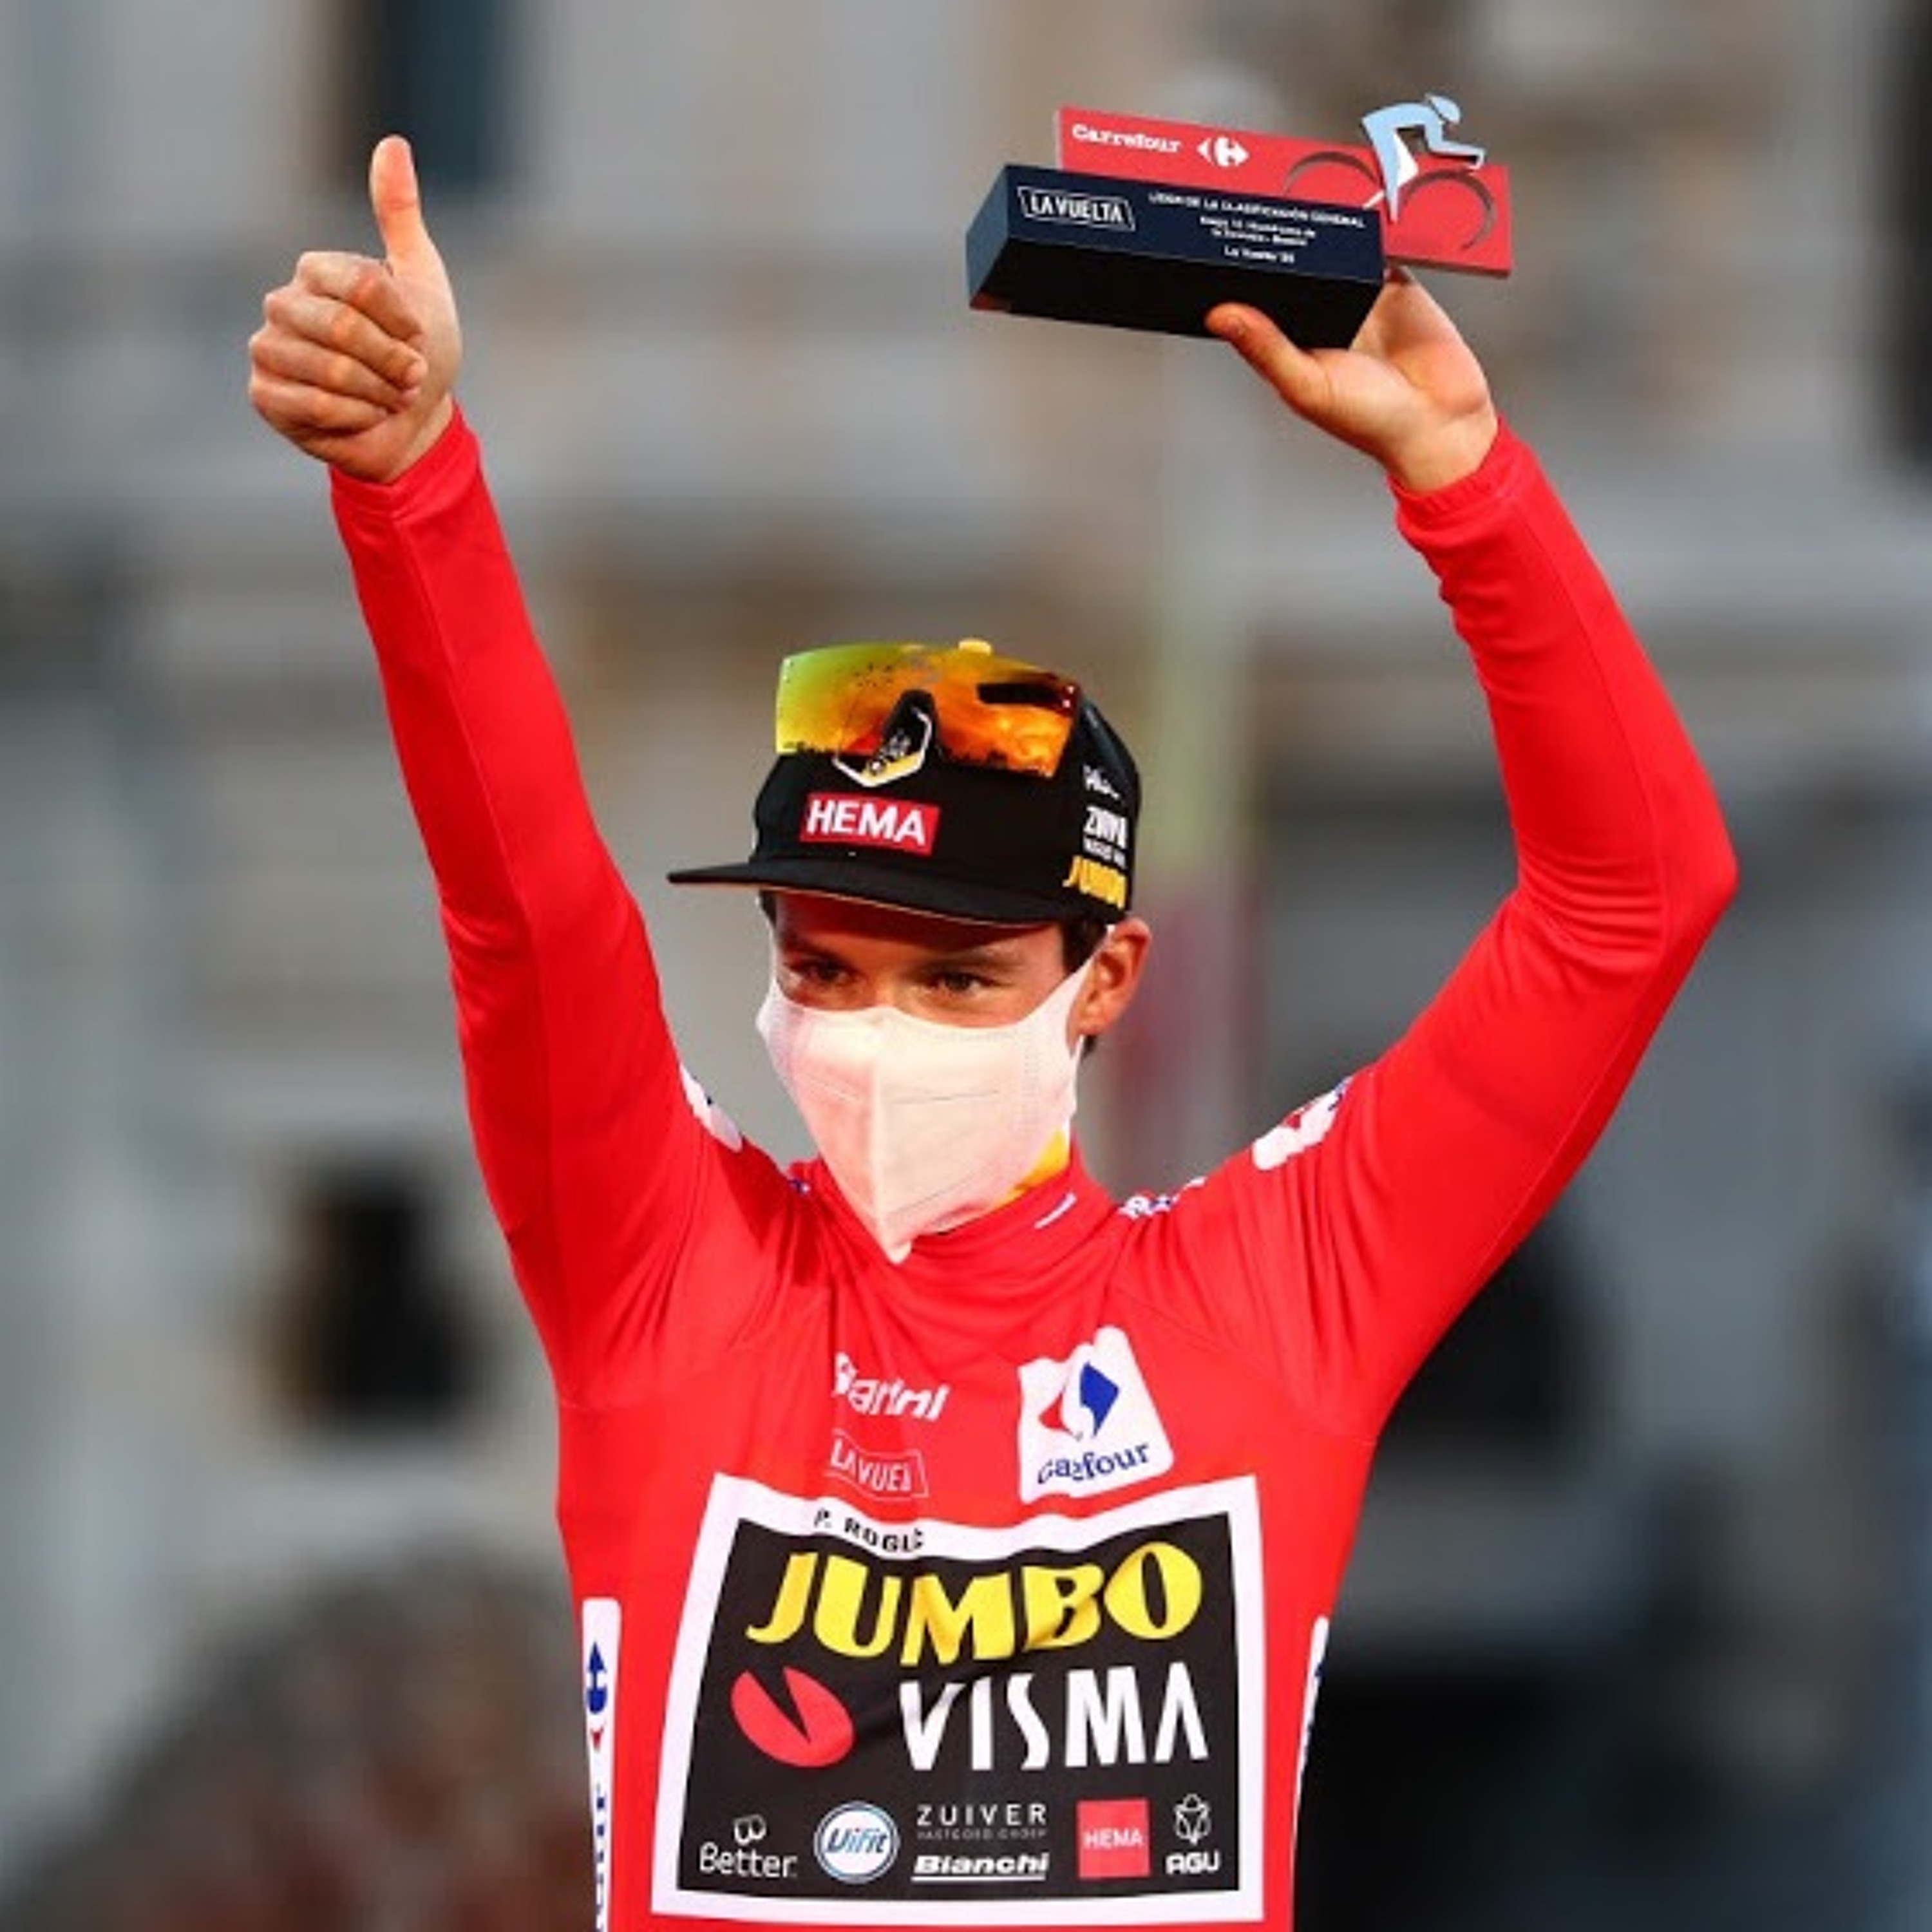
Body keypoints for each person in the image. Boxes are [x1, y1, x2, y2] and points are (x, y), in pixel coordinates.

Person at [246, 135, 1734, 1931]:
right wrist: (412, 482)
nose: (875, 1033)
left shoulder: (1271, 1301)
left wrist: (1466, 482)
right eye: (827, 970)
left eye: (956, 981)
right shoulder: (669, 1275)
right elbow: (526, 910)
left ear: (1105, 981)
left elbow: (1637, 902)